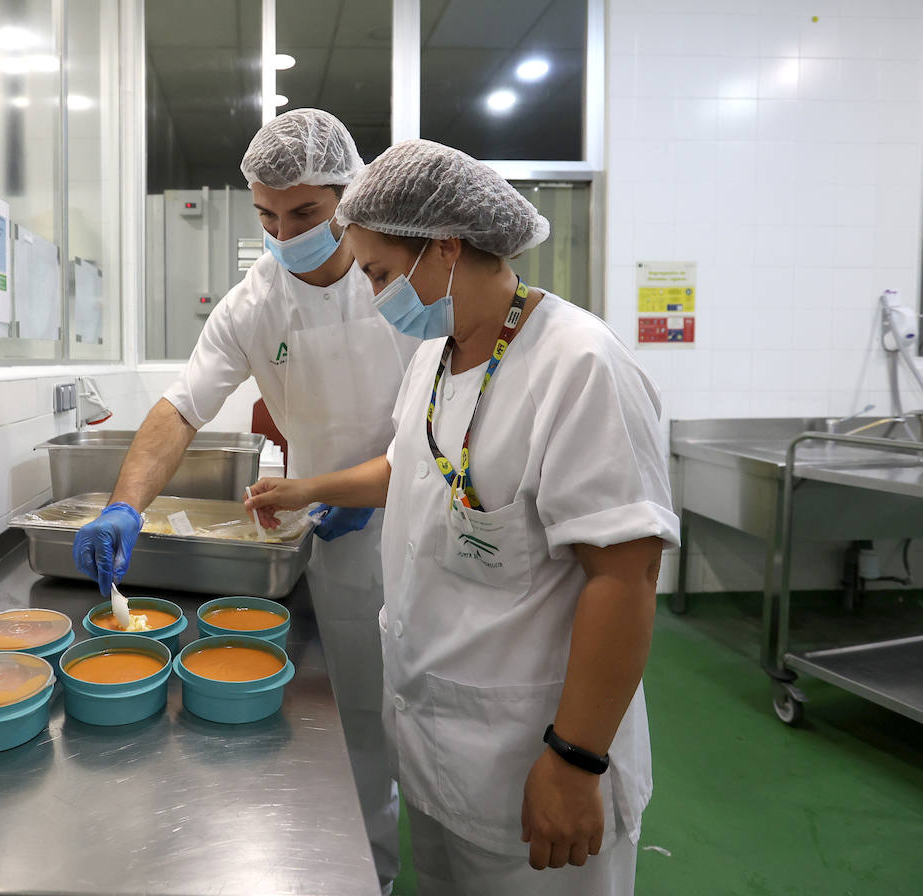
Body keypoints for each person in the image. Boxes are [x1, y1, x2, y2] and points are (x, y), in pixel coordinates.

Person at [245, 139, 679, 896]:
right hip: (441, 749)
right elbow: (416, 466)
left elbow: (627, 573)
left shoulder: (577, 366)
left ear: (445, 248)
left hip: (532, 757)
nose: (377, 294)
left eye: (380, 273)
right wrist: (308, 488)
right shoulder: (439, 354)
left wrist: (576, 760)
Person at [72, 109, 417, 892]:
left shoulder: (396, 284)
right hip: (330, 538)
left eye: (305, 214)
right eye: (266, 214)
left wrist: (379, 481)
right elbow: (179, 410)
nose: (285, 233)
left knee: (429, 711)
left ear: (349, 198)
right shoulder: (256, 301)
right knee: (360, 714)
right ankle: (377, 873)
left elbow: (447, 412)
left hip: (423, 518)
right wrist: (124, 504)